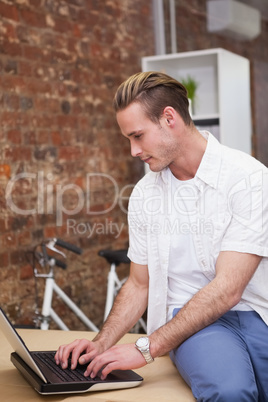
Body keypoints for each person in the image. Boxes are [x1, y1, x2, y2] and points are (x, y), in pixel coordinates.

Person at [55, 71, 268, 401]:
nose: (133, 150)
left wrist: (144, 349)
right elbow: (140, 283)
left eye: (138, 135)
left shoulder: (249, 180)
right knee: (231, 392)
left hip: (256, 313)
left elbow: (229, 289)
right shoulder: (144, 195)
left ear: (170, 118)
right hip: (194, 324)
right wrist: (101, 343)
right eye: (128, 138)